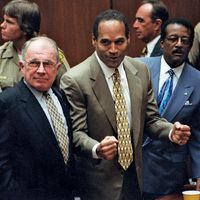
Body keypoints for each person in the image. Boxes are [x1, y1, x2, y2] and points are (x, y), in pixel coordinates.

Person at [60, 10, 190, 200]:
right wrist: (97, 148)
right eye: (105, 42)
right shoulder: (75, 79)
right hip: (98, 184)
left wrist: (171, 131)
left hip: (135, 178)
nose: (113, 49)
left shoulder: (140, 70)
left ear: (129, 39)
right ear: (93, 41)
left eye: (119, 41)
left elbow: (151, 119)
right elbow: (77, 133)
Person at [0, 36, 73, 200]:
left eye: (47, 64)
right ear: (22, 66)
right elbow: (2, 164)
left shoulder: (60, 98)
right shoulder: (8, 102)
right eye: (34, 63)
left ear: (57, 68)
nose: (41, 70)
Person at [137, 18, 200, 200]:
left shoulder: (197, 80)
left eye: (185, 40)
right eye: (173, 39)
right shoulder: (140, 68)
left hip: (168, 170)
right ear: (162, 42)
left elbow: (198, 134)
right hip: (133, 165)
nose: (179, 45)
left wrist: (198, 174)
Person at [0, 0, 70, 92]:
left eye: (9, 22)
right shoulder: (1, 53)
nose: (2, 25)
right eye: (4, 20)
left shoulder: (51, 54)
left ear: (25, 28)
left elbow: (67, 88)